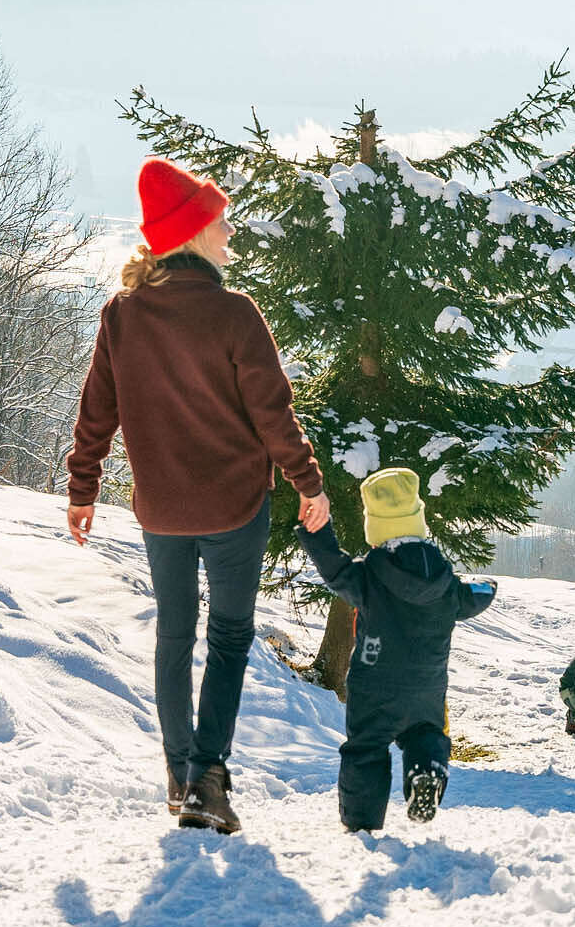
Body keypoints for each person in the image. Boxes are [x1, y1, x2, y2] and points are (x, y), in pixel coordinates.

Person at [67, 157, 333, 836]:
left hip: (162, 510)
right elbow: (274, 416)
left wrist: (83, 488)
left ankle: (179, 775)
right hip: (236, 506)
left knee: (174, 635)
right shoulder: (236, 314)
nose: (231, 229)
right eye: (220, 218)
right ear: (193, 232)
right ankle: (209, 779)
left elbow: (98, 410)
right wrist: (308, 484)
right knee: (230, 635)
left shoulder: (121, 316)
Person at [297, 468, 496, 833]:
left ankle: (361, 822)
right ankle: (427, 770)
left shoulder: (368, 576)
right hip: (426, 687)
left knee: (367, 748)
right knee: (426, 735)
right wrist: (487, 585)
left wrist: (316, 530)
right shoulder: (446, 583)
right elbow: (477, 596)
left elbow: (334, 569)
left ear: (376, 529)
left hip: (375, 683)